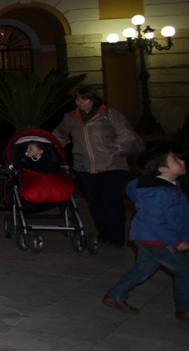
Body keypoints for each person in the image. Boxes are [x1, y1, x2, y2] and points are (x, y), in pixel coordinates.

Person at [101, 148, 189, 322]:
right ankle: (184, 309)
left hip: (150, 238)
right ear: (163, 170)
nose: (183, 161)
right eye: (176, 160)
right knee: (185, 273)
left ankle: (115, 295)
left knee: (142, 270)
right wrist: (176, 240)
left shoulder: (169, 187)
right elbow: (155, 221)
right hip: (158, 240)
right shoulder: (158, 192)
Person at [53, 85, 145, 248]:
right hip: (85, 166)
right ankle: (104, 232)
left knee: (111, 200)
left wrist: (114, 149)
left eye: (84, 99)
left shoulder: (109, 114)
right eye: (77, 99)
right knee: (95, 201)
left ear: (93, 99)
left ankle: (117, 236)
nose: (79, 102)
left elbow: (126, 134)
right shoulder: (71, 117)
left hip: (112, 166)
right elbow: (59, 136)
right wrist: (51, 150)